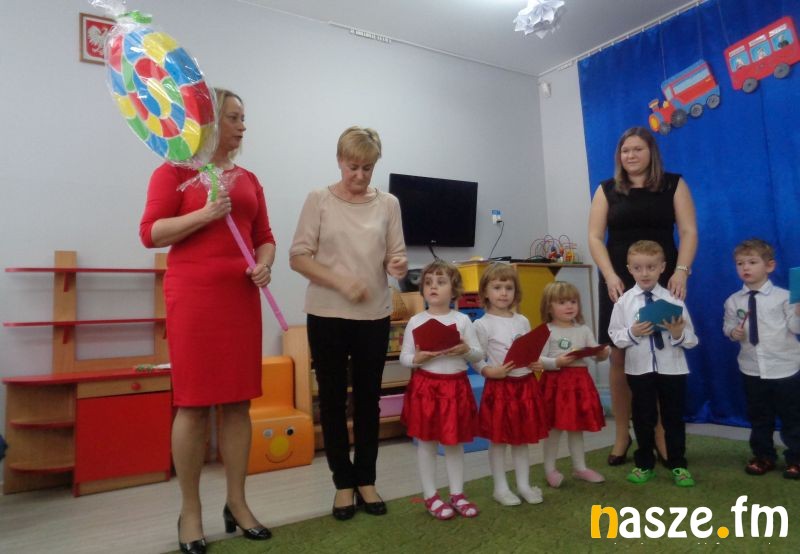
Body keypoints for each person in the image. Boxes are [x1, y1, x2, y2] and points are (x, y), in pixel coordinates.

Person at [140, 89, 274, 554]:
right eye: (234, 117)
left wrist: (264, 264)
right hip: (194, 299)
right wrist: (205, 213)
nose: (242, 126)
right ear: (210, 122)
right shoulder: (174, 171)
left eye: (243, 117)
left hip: (240, 298)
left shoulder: (249, 179)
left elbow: (265, 236)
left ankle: (237, 502)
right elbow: (151, 233)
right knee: (193, 405)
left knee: (238, 404)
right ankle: (191, 511)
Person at [289, 126, 408, 521]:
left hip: (374, 315)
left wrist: (397, 265)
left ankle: (366, 479)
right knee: (333, 401)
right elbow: (298, 257)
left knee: (369, 400)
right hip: (326, 315)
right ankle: (343, 482)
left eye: (367, 168)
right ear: (340, 161)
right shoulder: (319, 200)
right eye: (353, 167)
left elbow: (396, 255)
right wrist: (341, 281)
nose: (359, 175)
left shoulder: (388, 203)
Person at [588, 126, 698, 466]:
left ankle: (661, 434)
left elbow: (689, 231)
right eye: (625, 150)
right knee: (619, 355)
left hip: (664, 274)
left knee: (662, 352)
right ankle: (623, 434)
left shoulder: (673, 184)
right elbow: (594, 237)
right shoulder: (606, 189)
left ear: (651, 152)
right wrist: (609, 275)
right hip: (619, 279)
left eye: (637, 149)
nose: (631, 155)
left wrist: (681, 271)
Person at [608, 241, 698, 487]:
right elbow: (615, 335)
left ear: (662, 268)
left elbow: (692, 339)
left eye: (651, 267)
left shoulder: (673, 299)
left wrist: (678, 333)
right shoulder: (624, 302)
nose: (645, 273)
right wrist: (633, 332)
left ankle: (679, 465)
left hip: (673, 369)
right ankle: (644, 464)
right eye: (638, 268)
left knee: (673, 418)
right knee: (643, 417)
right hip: (639, 369)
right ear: (629, 269)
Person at [400, 260, 484, 520]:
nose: (433, 287)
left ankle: (457, 494)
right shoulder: (416, 321)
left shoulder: (462, 320)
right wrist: (417, 358)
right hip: (427, 387)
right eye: (428, 283)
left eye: (441, 282)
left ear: (454, 289)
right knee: (426, 442)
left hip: (456, 387)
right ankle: (430, 496)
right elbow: (405, 357)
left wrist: (466, 350)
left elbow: (478, 354)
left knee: (454, 442)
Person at [723, 239, 800, 479]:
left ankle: (796, 459)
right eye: (740, 263)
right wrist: (733, 332)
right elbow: (728, 327)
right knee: (759, 417)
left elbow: (795, 328)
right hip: (752, 369)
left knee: (793, 417)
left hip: (785, 368)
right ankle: (763, 456)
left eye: (752, 262)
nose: (745, 267)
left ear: (769, 266)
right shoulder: (733, 301)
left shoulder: (785, 297)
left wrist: (799, 312)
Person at [473, 263, 549, 506]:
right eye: (497, 287)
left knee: (521, 439)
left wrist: (536, 362)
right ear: (485, 292)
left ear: (516, 292)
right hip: (500, 388)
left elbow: (529, 349)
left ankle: (523, 485)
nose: (503, 293)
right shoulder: (482, 324)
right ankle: (500, 488)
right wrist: (488, 370)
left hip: (525, 385)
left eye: (508, 287)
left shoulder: (522, 321)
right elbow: (476, 357)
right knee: (498, 440)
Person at [538, 281, 608, 488]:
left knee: (577, 428)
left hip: (579, 383)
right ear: (549, 307)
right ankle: (549, 469)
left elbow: (595, 354)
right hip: (555, 383)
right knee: (553, 429)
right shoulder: (546, 331)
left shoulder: (583, 330)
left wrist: (602, 353)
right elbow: (537, 360)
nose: (569, 306)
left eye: (573, 301)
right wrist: (556, 362)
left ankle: (580, 467)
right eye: (562, 302)